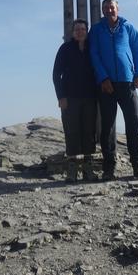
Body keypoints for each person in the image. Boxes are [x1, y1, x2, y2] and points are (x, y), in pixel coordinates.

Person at [89, 0, 138, 180]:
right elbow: (94, 54)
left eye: (111, 7)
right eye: (105, 8)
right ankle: (109, 168)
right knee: (108, 127)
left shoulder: (128, 27)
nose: (109, 11)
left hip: (127, 82)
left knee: (134, 122)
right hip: (106, 85)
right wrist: (103, 77)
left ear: (118, 9)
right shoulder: (97, 30)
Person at [52, 18, 98, 182]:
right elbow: (56, 74)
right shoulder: (65, 49)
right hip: (70, 98)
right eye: (77, 29)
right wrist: (61, 97)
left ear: (86, 31)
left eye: (83, 29)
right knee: (71, 132)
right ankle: (72, 170)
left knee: (89, 132)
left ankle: (88, 169)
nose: (80, 32)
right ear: (72, 33)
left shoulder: (92, 49)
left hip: (90, 97)